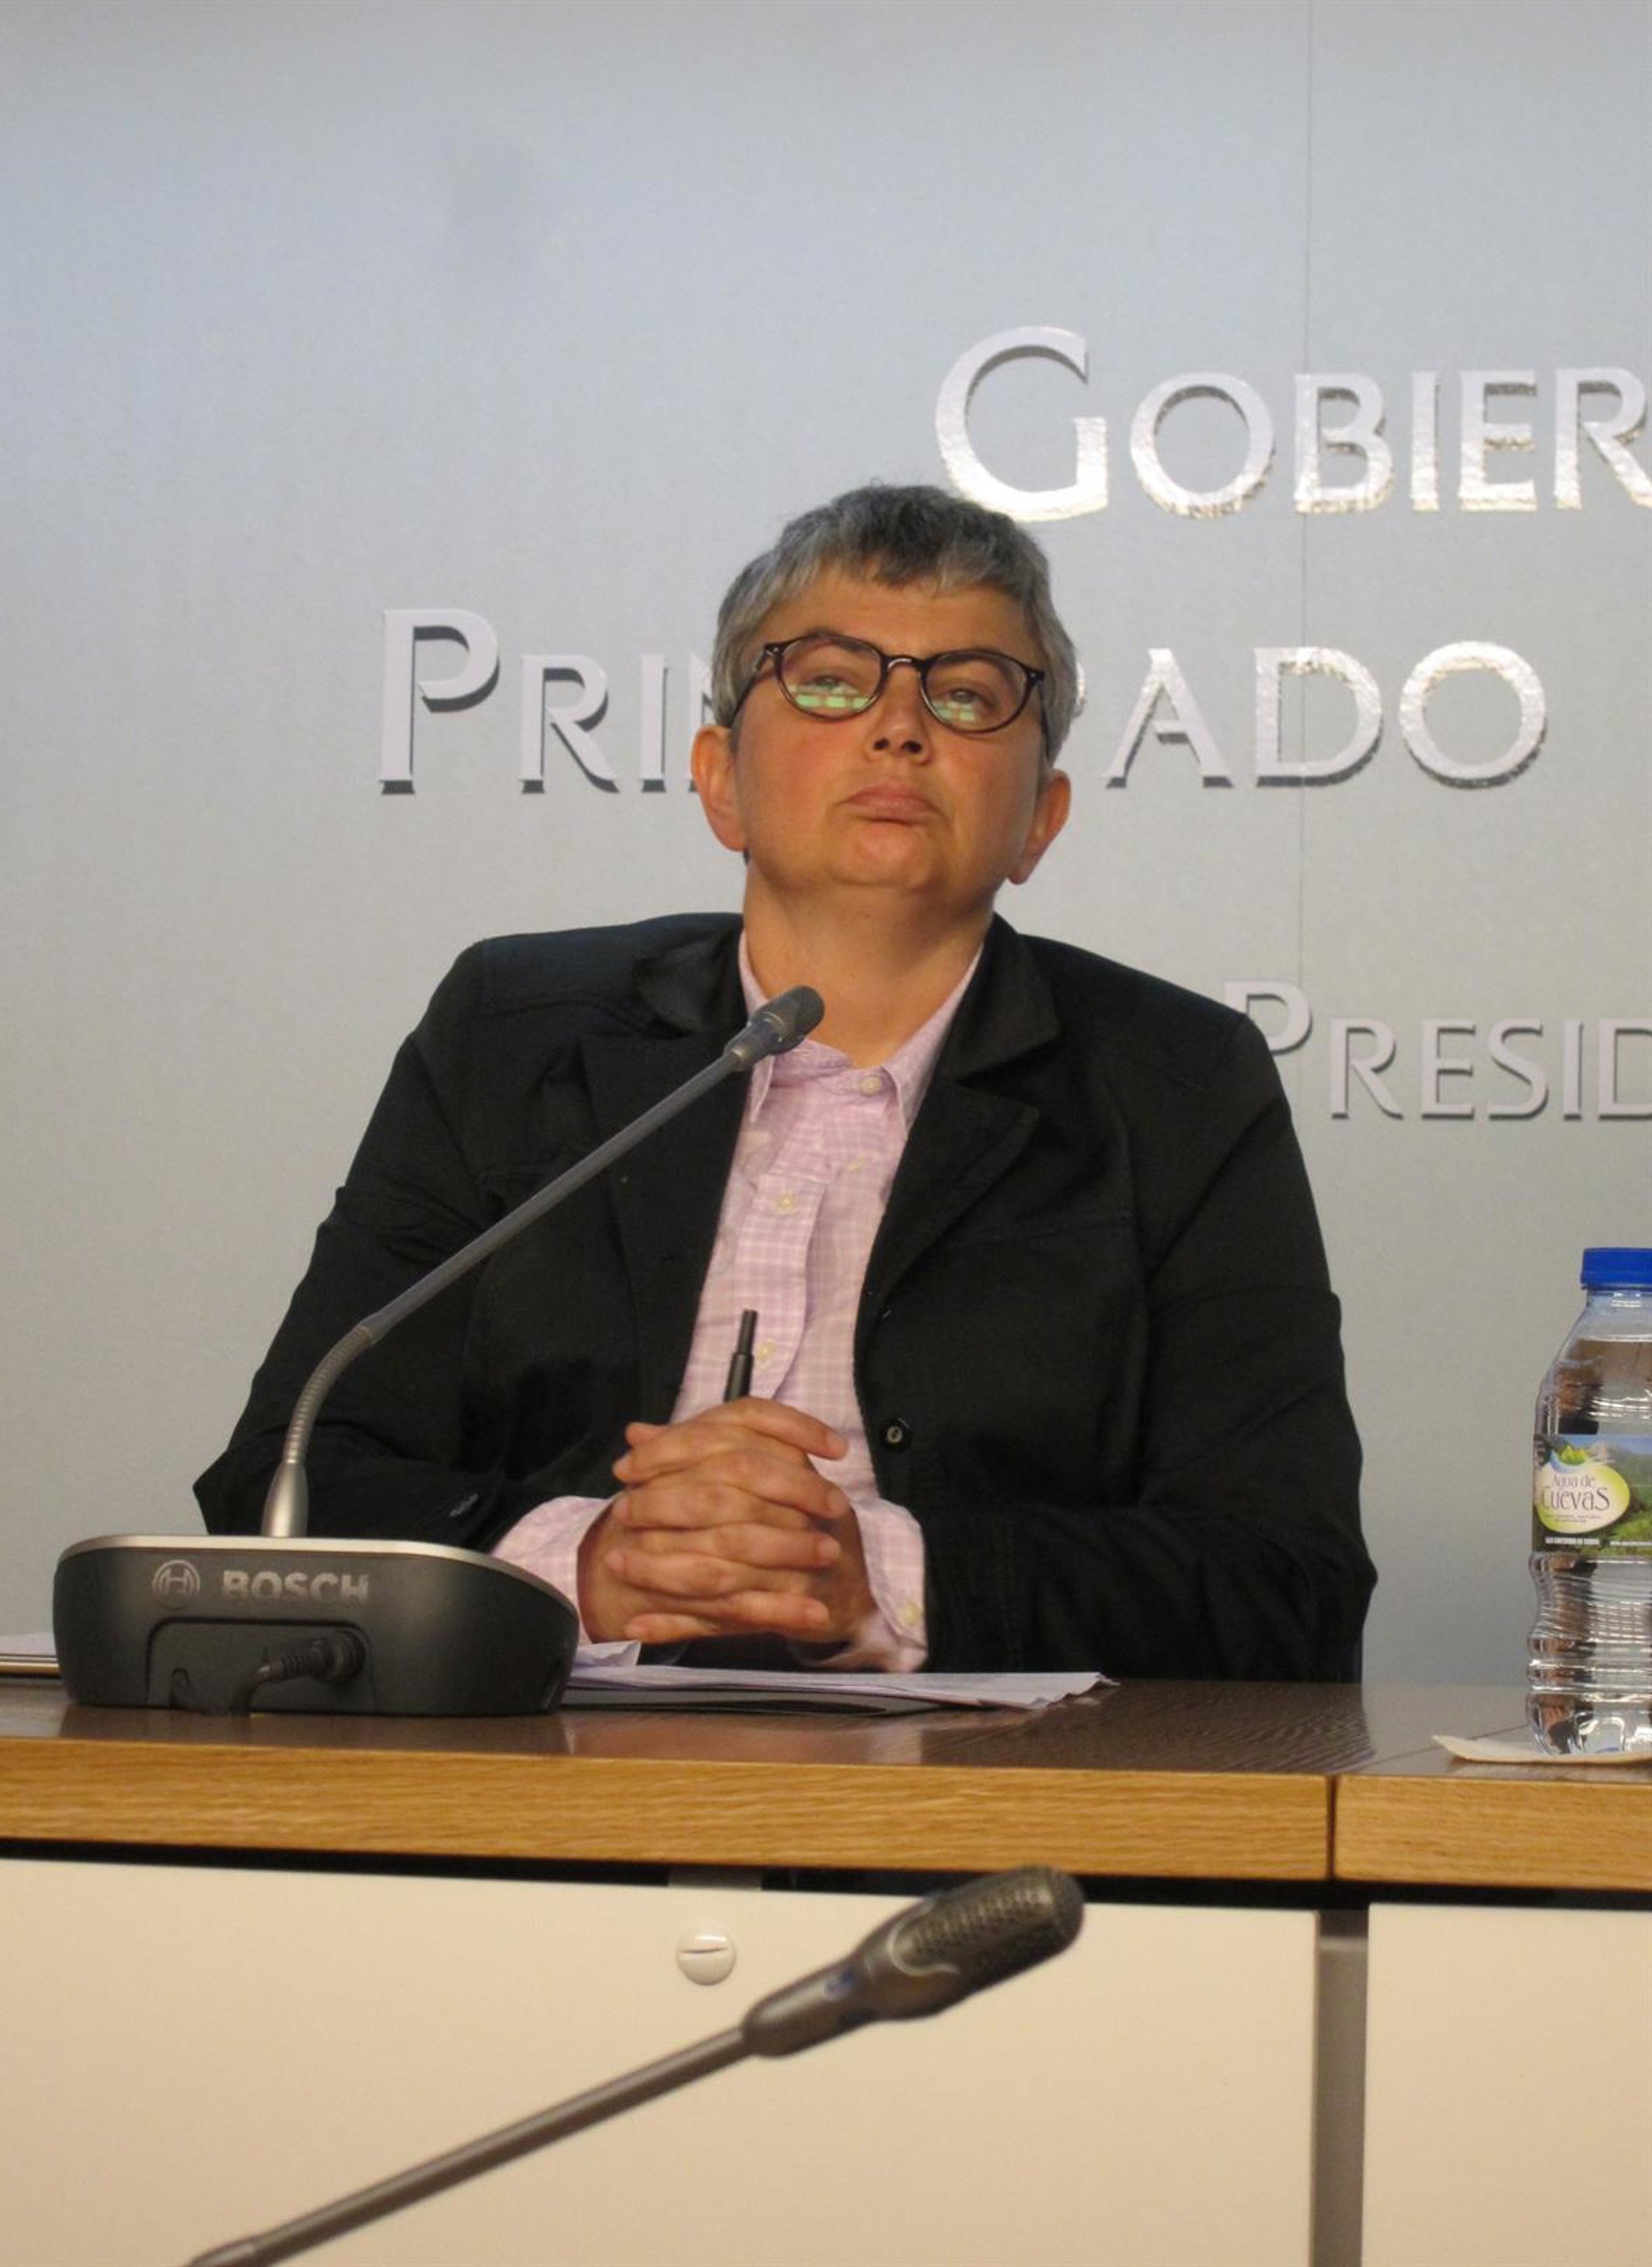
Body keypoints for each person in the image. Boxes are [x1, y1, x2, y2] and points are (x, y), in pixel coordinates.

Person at [197, 484, 1373, 1677]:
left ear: (1040, 820)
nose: (899, 726)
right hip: (540, 1763)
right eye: (829, 681)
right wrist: (584, 1564)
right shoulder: (513, 1034)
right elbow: (282, 1479)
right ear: (721, 780)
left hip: (978, 1782)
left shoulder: (1177, 1085)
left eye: (968, 695)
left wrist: (874, 1577)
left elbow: (1290, 1580)